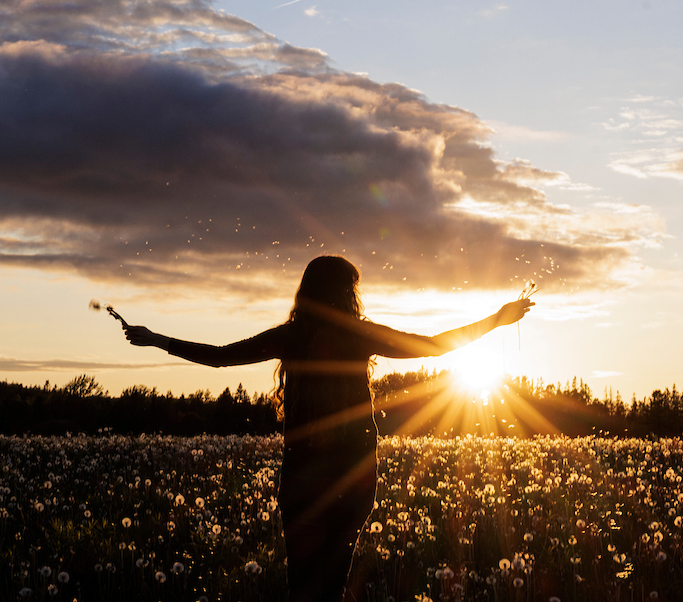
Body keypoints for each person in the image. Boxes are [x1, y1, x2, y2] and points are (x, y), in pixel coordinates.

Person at [122, 255, 534, 601]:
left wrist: (159, 339)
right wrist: (497, 319)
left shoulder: (291, 336)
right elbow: (432, 345)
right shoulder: (360, 335)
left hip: (304, 476)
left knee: (301, 584)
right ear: (346, 293)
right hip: (354, 474)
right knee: (333, 584)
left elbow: (220, 357)